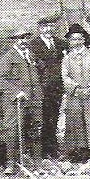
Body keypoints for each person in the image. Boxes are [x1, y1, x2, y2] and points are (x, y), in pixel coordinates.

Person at [0, 27, 43, 175]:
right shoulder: (8, 57)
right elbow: (1, 80)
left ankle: (37, 163)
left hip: (34, 99)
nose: (23, 41)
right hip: (16, 101)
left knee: (36, 129)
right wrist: (17, 92)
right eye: (20, 38)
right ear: (14, 41)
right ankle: (10, 163)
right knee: (13, 130)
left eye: (26, 38)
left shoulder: (31, 56)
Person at [61, 23, 90, 162]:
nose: (77, 42)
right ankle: (80, 152)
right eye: (74, 39)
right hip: (75, 95)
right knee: (76, 122)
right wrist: (75, 89)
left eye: (80, 38)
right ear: (70, 41)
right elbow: (65, 76)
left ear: (84, 40)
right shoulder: (67, 58)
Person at [28, 11, 66, 159]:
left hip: (57, 87)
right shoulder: (33, 44)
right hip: (41, 88)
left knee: (54, 116)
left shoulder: (60, 42)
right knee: (41, 117)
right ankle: (41, 149)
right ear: (39, 28)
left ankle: (52, 146)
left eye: (51, 26)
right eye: (45, 26)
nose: (48, 29)